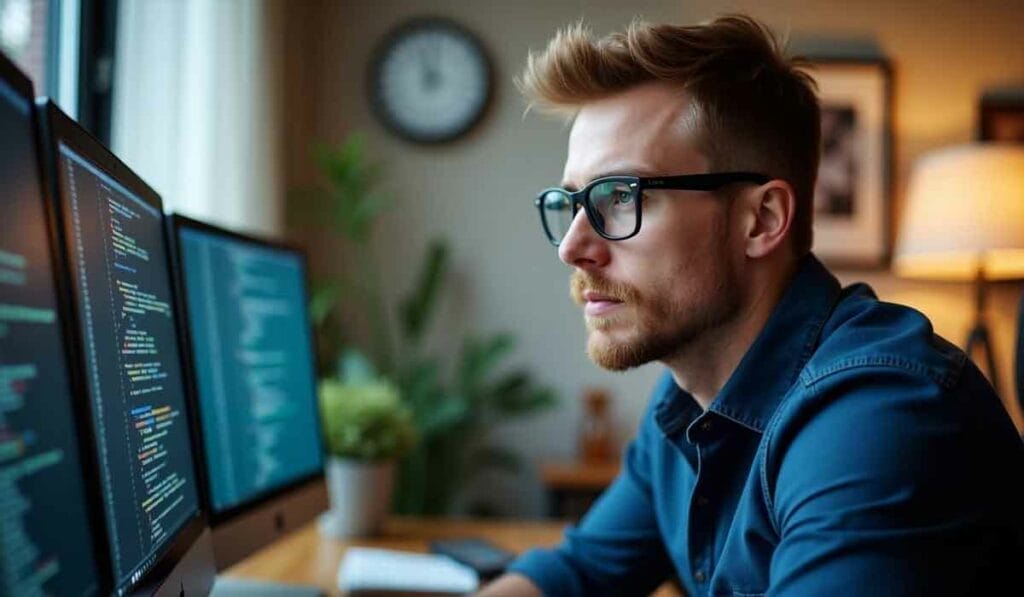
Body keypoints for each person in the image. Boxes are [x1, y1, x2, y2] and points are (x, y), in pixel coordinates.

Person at [479, 14, 1024, 596]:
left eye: (620, 196)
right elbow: (576, 574)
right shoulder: (686, 403)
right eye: (572, 202)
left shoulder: (878, 417)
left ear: (761, 220)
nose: (572, 248)